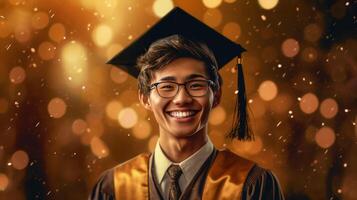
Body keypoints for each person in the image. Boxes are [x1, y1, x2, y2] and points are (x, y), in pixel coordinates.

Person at [89, 7, 284, 200]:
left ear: (216, 95)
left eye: (196, 85)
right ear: (145, 98)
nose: (182, 99)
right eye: (166, 86)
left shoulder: (250, 185)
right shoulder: (114, 188)